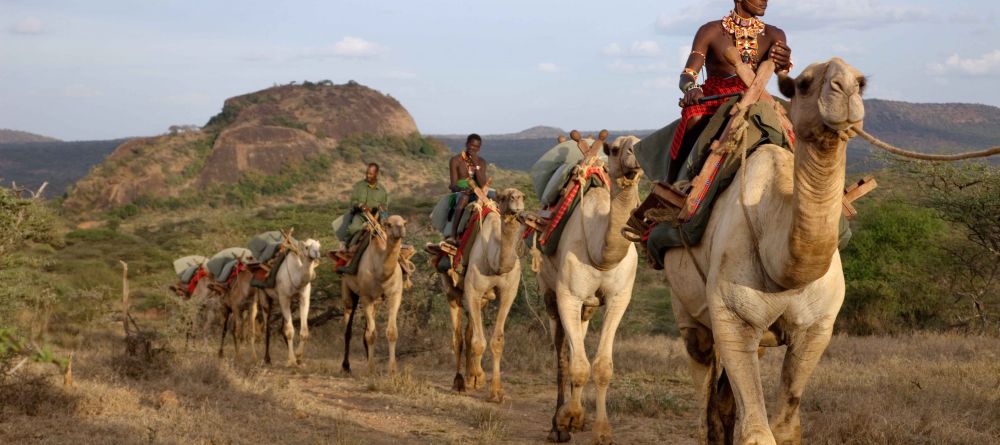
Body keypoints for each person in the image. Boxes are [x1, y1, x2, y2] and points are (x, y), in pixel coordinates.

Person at [669, 0, 792, 182]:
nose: (765, 1)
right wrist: (692, 89)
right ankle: (675, 182)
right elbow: (687, 75)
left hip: (757, 96)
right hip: (715, 97)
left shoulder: (775, 34)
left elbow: (785, 82)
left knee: (796, 121)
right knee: (693, 117)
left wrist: (783, 66)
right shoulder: (710, 31)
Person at [446, 133, 491, 242]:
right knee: (464, 198)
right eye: (471, 145)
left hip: (478, 192)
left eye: (476, 147)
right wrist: (463, 190)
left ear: (479, 148)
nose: (473, 148)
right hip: (461, 192)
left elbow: (482, 184)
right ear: (467, 144)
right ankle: (453, 234)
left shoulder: (481, 162)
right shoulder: (456, 160)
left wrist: (476, 165)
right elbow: (452, 185)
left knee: (494, 201)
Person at [345, 162, 389, 251]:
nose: (368, 176)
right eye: (367, 173)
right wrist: (360, 205)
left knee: (388, 233)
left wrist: (383, 214)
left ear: (376, 174)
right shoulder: (359, 186)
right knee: (352, 229)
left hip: (376, 218)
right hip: (361, 215)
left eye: (371, 174)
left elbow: (385, 209)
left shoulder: (382, 190)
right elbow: (352, 202)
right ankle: (347, 247)